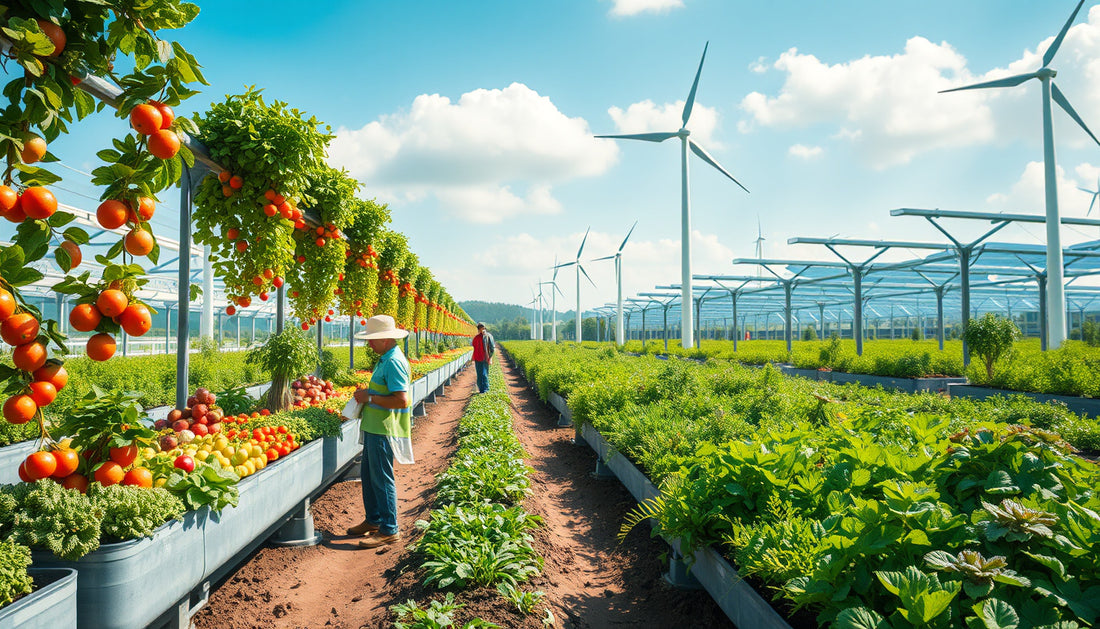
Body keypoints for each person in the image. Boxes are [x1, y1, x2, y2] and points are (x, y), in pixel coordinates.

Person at [347, 315, 411, 548]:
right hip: (374, 427)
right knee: (369, 476)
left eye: (372, 339)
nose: (369, 343)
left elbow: (402, 400)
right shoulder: (385, 358)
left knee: (382, 479)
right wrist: (367, 394)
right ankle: (373, 520)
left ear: (385, 339)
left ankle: (389, 529)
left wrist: (370, 397)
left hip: (384, 430)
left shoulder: (393, 361)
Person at [471, 323, 494, 393]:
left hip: (484, 358)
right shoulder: (476, 338)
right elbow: (474, 348)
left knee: (484, 374)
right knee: (479, 374)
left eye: (483, 328)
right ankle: (481, 389)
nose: (482, 329)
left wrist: (490, 357)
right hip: (478, 358)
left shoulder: (488, 336)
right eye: (480, 328)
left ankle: (486, 389)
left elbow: (492, 348)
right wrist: (473, 357)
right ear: (478, 329)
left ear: (485, 328)